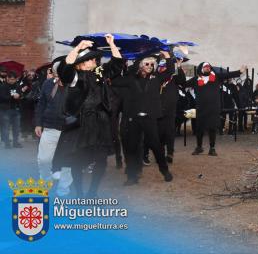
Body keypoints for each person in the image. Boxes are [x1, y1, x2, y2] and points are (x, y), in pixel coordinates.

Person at [56, 35, 124, 197]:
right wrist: (78, 47)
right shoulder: (73, 77)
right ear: (81, 63)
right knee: (77, 161)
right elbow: (65, 67)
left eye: (95, 59)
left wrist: (112, 44)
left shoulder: (99, 74)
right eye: (91, 60)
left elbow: (117, 64)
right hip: (80, 124)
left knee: (101, 160)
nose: (95, 62)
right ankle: (79, 192)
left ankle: (92, 192)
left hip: (100, 123)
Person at [111, 52, 175, 185]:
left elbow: (170, 71)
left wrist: (167, 56)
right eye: (147, 64)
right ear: (140, 65)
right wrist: (117, 63)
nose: (150, 66)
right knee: (132, 148)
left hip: (150, 119)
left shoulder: (156, 78)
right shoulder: (130, 78)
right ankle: (132, 176)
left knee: (156, 147)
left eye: (152, 64)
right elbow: (115, 80)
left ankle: (165, 172)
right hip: (133, 119)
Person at [187, 62, 247, 156]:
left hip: (213, 108)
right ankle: (199, 147)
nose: (207, 68)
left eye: (208, 67)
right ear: (201, 69)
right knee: (199, 129)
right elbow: (183, 83)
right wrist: (178, 69)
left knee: (212, 128)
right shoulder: (196, 79)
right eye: (205, 67)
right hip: (201, 108)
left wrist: (239, 71)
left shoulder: (216, 77)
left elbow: (228, 74)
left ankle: (212, 148)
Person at [35, 57, 72, 196]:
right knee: (43, 160)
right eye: (56, 73)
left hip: (68, 131)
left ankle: (63, 189)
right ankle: (45, 184)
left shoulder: (75, 86)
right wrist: (38, 123)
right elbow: (41, 105)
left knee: (67, 163)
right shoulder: (47, 84)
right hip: (50, 128)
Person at [0, 71, 23, 148]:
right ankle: (7, 143)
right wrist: (12, 96)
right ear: (7, 78)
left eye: (14, 79)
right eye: (11, 79)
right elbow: (2, 97)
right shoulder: (3, 86)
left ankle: (15, 142)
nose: (12, 81)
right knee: (5, 127)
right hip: (5, 110)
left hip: (15, 109)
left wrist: (19, 96)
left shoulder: (17, 86)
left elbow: (20, 94)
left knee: (16, 127)